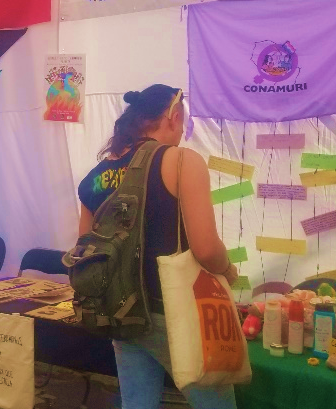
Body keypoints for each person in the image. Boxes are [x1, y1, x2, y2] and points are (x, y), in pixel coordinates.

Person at [77, 85, 238, 409]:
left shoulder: (94, 178)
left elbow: (84, 247)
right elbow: (206, 249)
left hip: (120, 312)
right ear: (173, 116)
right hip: (171, 309)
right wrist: (228, 270)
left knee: (138, 404)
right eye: (183, 124)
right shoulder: (180, 161)